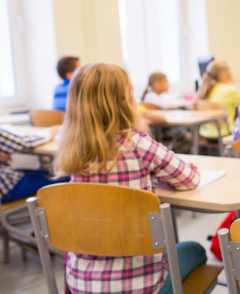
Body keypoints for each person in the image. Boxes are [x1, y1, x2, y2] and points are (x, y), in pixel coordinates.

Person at [53, 63, 206, 294]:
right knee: (195, 250)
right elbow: (190, 178)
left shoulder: (72, 152)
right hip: (140, 285)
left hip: (80, 284)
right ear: (126, 99)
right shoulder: (137, 144)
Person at [0, 126, 68, 204]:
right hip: (7, 187)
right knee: (64, 177)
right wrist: (50, 133)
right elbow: (24, 143)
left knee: (51, 173)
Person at [196, 60, 240, 140]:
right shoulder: (228, 90)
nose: (232, 73)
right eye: (229, 70)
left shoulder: (205, 89)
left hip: (205, 134)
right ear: (222, 75)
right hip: (224, 134)